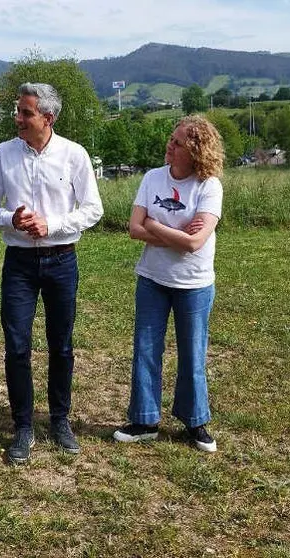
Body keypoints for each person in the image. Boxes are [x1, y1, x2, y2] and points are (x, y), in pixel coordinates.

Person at [0, 83, 103, 465]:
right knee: (17, 346)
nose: (17, 118)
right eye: (18, 111)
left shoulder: (74, 155)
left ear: (47, 119)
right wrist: (10, 219)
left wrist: (54, 225)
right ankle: (23, 426)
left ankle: (60, 420)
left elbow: (93, 209)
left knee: (61, 345)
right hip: (18, 264)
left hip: (62, 260)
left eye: (25, 113)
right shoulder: (3, 153)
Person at [113, 114, 224, 452]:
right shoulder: (152, 178)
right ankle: (144, 420)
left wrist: (155, 225)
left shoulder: (210, 186)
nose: (169, 146)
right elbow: (134, 228)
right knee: (146, 349)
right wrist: (176, 232)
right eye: (171, 139)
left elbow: (195, 243)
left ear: (195, 150)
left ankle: (195, 422)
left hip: (194, 284)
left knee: (193, 353)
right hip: (152, 279)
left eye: (177, 143)